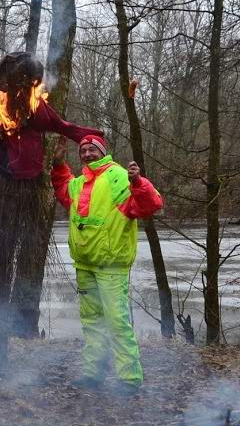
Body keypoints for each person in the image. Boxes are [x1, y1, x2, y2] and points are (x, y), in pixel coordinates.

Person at [51, 134, 164, 396]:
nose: (87, 154)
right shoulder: (79, 183)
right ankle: (94, 374)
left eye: (92, 150)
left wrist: (137, 182)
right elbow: (63, 191)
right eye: (83, 151)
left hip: (111, 266)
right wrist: (58, 165)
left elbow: (151, 204)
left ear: (103, 152)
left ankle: (129, 380)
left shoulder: (117, 177)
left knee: (116, 322)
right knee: (92, 322)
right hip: (85, 264)